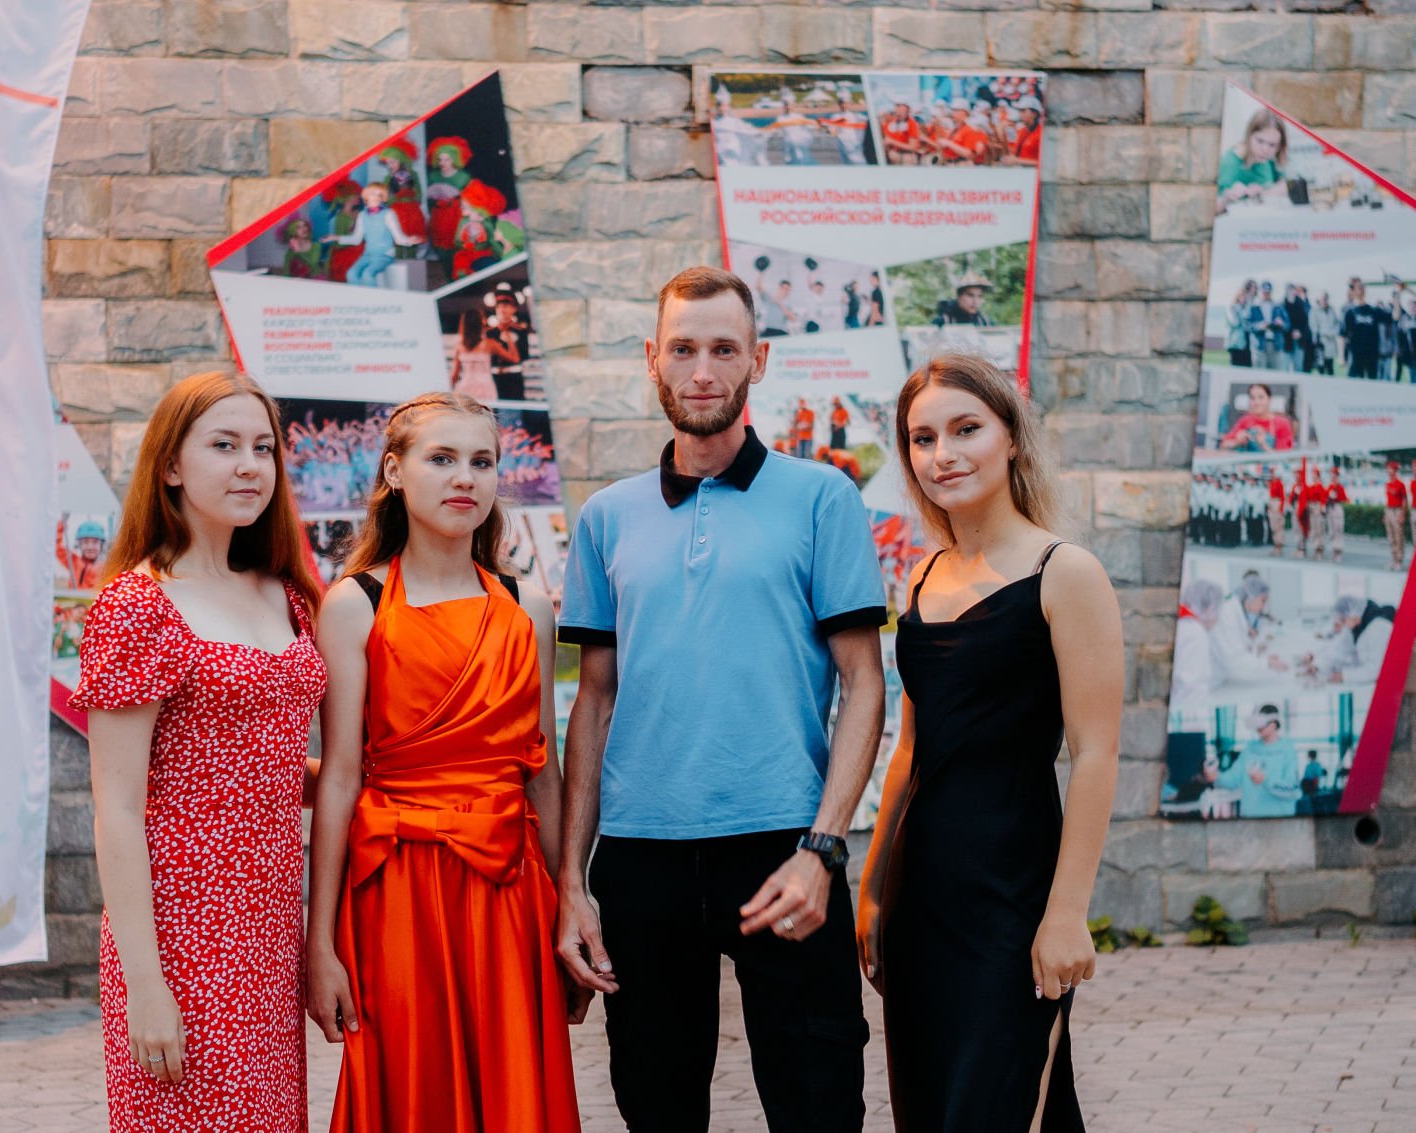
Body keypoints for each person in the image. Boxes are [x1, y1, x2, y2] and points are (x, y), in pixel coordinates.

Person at [556, 267, 888, 1132]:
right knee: (656, 1109)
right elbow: (593, 703)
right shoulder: (606, 517)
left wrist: (824, 848)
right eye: (683, 349)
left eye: (724, 349)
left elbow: (864, 682)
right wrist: (570, 882)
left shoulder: (823, 497)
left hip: (784, 849)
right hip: (640, 859)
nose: (702, 370)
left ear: (758, 360)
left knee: (819, 1106)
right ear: (652, 360)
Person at [857, 353, 1121, 1131]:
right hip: (921, 895)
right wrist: (873, 887)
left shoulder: (1064, 572)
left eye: (966, 428)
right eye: (923, 438)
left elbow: (1097, 752)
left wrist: (1067, 913)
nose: (944, 453)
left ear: (1011, 437)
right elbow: (911, 749)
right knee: (928, 1109)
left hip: (1014, 893)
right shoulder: (922, 578)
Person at [306, 391, 580, 1132]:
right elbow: (339, 777)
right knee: (412, 1087)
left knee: (513, 1086)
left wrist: (571, 903)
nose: (465, 477)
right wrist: (320, 939)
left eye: (482, 461)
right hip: (395, 891)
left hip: (509, 887)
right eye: (442, 458)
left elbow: (543, 770)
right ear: (395, 471)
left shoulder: (528, 605)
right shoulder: (354, 603)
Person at [72, 371, 326, 1131]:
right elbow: (117, 807)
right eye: (224, 445)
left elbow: (264, 767)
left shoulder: (285, 593)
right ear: (172, 466)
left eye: (263, 448)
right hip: (180, 930)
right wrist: (145, 987)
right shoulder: (137, 605)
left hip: (270, 927)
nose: (250, 465)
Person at [322, 182, 424, 288]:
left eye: (379, 195)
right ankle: (361, 297)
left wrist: (409, 240)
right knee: (351, 274)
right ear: (366, 196)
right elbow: (356, 239)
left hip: (384, 255)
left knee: (367, 274)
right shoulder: (362, 215)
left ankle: (374, 298)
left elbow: (399, 238)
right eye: (373, 194)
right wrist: (335, 237)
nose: (376, 197)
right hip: (367, 255)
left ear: (383, 198)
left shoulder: (388, 213)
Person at [1207, 707, 1301, 818]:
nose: (1259, 728)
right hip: (1250, 819)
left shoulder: (1287, 751)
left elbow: (1292, 790)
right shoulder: (1250, 750)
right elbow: (1233, 778)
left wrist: (1265, 780)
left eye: (1263, 724)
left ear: (1274, 724)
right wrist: (1217, 776)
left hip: (1278, 820)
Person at [1216, 108, 1287, 212]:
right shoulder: (1229, 163)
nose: (1265, 150)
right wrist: (1227, 197)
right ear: (1249, 136)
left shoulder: (1268, 160)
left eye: (1272, 145)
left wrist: (1262, 192)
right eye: (1260, 141)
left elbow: (1285, 185)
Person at [448, 309, 517, 404]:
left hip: (465, 388)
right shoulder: (490, 344)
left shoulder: (460, 346)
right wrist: (508, 336)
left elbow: (454, 376)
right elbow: (514, 358)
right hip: (485, 388)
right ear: (481, 323)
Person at [1218, 383, 1295, 452]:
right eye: (1252, 398)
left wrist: (1263, 444)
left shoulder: (1282, 423)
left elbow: (1283, 457)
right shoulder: (1245, 420)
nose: (1256, 402)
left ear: (1269, 399)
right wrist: (1237, 442)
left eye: (1261, 397)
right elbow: (1223, 446)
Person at [1342, 277, 1390, 378]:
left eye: (1362, 287)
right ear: (1353, 291)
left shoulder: (1374, 310)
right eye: (1359, 287)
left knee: (1372, 384)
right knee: (1353, 384)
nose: (1362, 289)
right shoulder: (1349, 312)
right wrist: (1342, 356)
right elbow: (1342, 335)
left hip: (1371, 356)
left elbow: (1395, 316)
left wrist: (1397, 294)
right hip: (1355, 356)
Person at [489, 289, 532, 401]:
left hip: (514, 376)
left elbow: (524, 354)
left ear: (514, 309)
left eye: (505, 306)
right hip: (495, 377)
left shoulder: (520, 331)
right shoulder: (490, 333)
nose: (502, 310)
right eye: (499, 307)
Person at [881, 100, 924, 165]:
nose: (898, 109)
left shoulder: (911, 123)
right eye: (897, 106)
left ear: (907, 109)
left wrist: (892, 142)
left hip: (906, 155)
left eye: (900, 106)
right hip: (891, 154)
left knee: (906, 159)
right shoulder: (891, 122)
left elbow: (913, 147)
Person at [1386, 461, 1409, 571]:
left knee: (1398, 536)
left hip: (1397, 510)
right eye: (1388, 469)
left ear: (1395, 470)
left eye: (1390, 469)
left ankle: (1399, 560)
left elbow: (1404, 500)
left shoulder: (1400, 484)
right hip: (1389, 510)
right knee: (1391, 537)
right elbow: (1388, 499)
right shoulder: (1388, 484)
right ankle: (1394, 559)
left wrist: (1402, 514)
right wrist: (1385, 514)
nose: (1388, 471)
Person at [1311, 291, 1340, 375]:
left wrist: (1333, 333)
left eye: (1326, 299)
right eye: (1323, 299)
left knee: (1330, 367)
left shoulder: (1332, 310)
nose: (1325, 301)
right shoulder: (1314, 311)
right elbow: (1314, 327)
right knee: (1321, 368)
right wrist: (1325, 333)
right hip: (1320, 343)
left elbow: (1337, 324)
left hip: (1331, 343)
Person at [1325, 466, 1349, 563]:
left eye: (1334, 475)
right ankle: (1334, 551)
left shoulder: (1339, 487)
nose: (1333, 477)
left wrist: (1336, 496)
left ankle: (1338, 552)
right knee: (1332, 531)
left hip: (1337, 507)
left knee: (1338, 530)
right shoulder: (1330, 487)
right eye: (1332, 475)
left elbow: (1344, 499)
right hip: (1330, 509)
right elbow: (1325, 498)